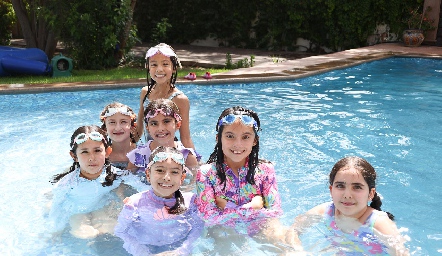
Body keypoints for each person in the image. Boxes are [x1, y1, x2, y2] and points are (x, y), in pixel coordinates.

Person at [288, 156, 409, 255]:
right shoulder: (327, 211)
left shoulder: (379, 223)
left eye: (357, 187)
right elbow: (293, 230)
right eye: (340, 186)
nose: (347, 195)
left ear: (370, 193)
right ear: (331, 190)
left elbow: (402, 253)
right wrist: (298, 250)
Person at [196, 106, 282, 235]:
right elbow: (208, 218)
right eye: (230, 136)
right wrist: (254, 207)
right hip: (224, 233)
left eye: (246, 137)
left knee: (285, 238)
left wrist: (227, 207)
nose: (238, 144)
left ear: (255, 140)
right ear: (218, 138)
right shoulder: (206, 173)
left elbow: (275, 212)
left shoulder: (265, 170)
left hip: (259, 230)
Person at [48, 125, 146, 239]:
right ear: (74, 156)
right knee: (86, 235)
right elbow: (57, 207)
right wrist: (55, 231)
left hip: (100, 207)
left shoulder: (116, 175)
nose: (92, 157)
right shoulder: (67, 184)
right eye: (85, 152)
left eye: (97, 150)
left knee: (115, 230)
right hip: (76, 211)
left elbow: (141, 186)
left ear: (108, 152)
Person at [114, 146, 204, 256]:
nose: (167, 177)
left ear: (182, 178)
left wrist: (181, 251)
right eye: (160, 170)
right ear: (148, 174)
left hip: (179, 246)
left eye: (174, 172)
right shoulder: (134, 204)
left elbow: (198, 228)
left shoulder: (191, 202)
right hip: (144, 247)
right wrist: (143, 253)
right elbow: (121, 231)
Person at [135, 43, 195, 153]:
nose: (159, 69)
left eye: (165, 64)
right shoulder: (145, 93)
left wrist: (196, 164)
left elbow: (185, 137)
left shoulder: (180, 99)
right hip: (149, 150)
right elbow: (139, 130)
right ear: (148, 68)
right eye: (154, 65)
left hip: (170, 153)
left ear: (174, 68)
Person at [127, 99, 199, 184]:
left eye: (166, 121)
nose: (160, 129)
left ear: (178, 124)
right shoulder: (138, 155)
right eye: (154, 123)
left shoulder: (187, 156)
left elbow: (194, 184)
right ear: (148, 128)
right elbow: (127, 182)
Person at [100, 102, 137, 170]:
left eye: (123, 122)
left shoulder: (142, 152)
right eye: (112, 122)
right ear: (105, 128)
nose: (118, 128)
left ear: (132, 127)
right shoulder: (101, 156)